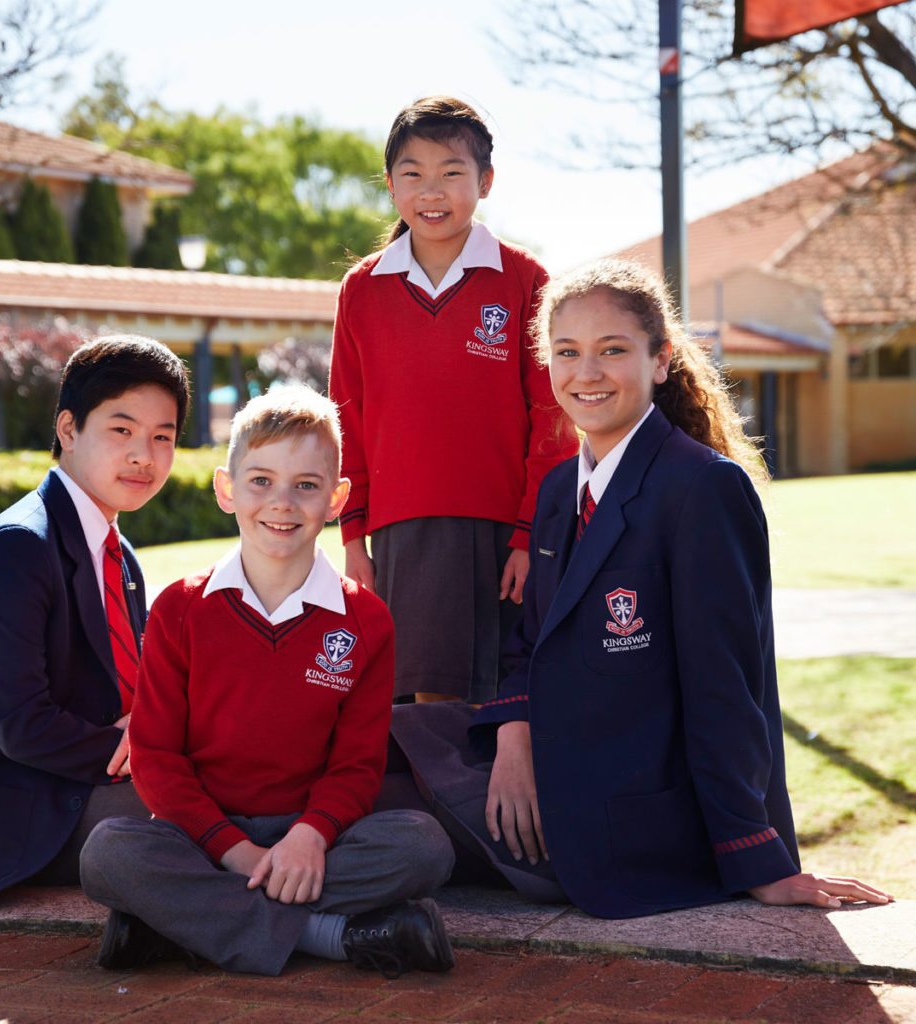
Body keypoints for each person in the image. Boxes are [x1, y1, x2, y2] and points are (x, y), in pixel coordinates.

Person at [390, 258, 894, 916]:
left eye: (613, 350)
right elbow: (531, 641)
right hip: (528, 762)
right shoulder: (553, 493)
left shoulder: (702, 489)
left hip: (622, 818)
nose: (587, 372)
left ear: (660, 361)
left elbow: (726, 690)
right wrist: (513, 735)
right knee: (369, 741)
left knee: (375, 810)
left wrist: (759, 858)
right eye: (567, 352)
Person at [80, 385, 456, 978]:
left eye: (306, 485)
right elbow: (155, 756)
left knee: (423, 846)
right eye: (260, 481)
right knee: (109, 854)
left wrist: (310, 836)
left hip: (318, 841)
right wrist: (237, 853)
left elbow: (358, 763)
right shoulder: (181, 608)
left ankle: (175, 928)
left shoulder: (366, 620)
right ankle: (337, 937)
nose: (282, 502)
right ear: (226, 490)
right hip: (204, 838)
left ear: (336, 499)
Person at [328, 95, 577, 705]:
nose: (430, 191)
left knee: (510, 701)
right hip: (400, 535)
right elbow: (346, 419)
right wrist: (354, 540)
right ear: (390, 186)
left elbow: (552, 419)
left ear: (485, 181)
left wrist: (528, 535)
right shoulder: (361, 290)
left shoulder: (525, 280)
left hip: (503, 530)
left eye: (451, 173)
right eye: (412, 174)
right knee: (419, 710)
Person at [0, 335, 190, 908]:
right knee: (216, 808)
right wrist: (147, 752)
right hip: (13, 817)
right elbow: (22, 725)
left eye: (162, 437)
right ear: (68, 429)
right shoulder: (18, 547)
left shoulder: (119, 555)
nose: (144, 454)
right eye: (122, 430)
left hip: (79, 785)